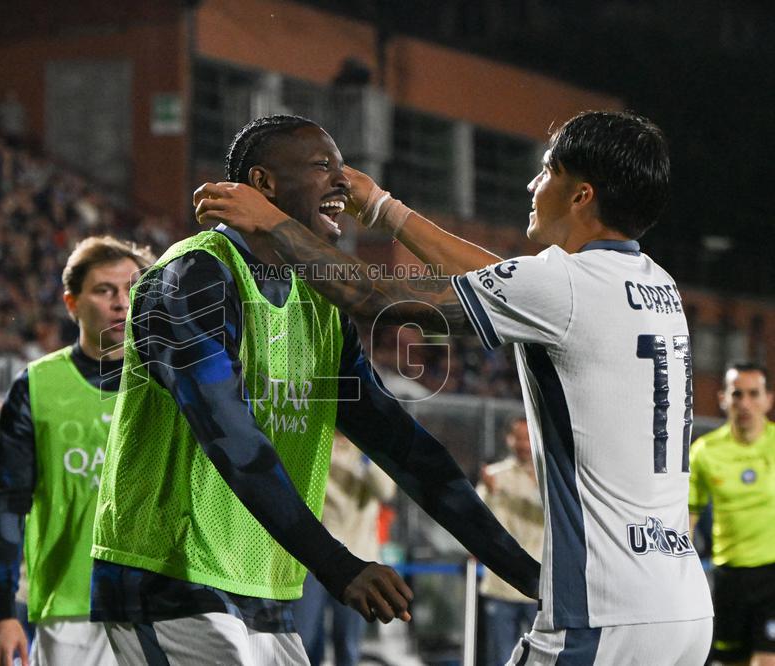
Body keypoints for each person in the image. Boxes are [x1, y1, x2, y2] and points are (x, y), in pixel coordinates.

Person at [197, 110, 714, 665]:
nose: (533, 185)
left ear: (581, 195)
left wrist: (274, 223)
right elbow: (508, 282)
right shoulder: (654, 284)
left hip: (605, 612)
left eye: (546, 172)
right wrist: (383, 209)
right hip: (682, 604)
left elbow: (379, 300)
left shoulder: (561, 287)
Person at [91, 114, 540, 665]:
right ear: (264, 185)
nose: (343, 182)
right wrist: (339, 564)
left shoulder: (318, 301)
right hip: (169, 581)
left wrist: (529, 574)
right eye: (323, 165)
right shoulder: (193, 277)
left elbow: (403, 446)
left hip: (265, 586)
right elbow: (231, 439)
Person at [0, 235, 153, 666]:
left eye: (132, 290)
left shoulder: (170, 384)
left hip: (161, 607)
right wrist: (2, 613)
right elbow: (8, 505)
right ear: (71, 303)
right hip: (70, 606)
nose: (121, 302)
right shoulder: (37, 385)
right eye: (105, 290)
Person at [689, 362, 775, 666]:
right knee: (728, 662)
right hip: (729, 576)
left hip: (772, 574)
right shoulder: (705, 452)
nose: (745, 403)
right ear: (723, 398)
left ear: (768, 399)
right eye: (737, 394)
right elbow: (689, 515)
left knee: (767, 659)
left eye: (754, 394)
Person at [293, 431, 396, 666]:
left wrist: (363, 459)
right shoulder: (317, 441)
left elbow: (386, 490)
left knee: (347, 643)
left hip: (358, 561)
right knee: (304, 641)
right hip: (315, 559)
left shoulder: (369, 448)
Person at [477, 416, 543, 666]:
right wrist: (491, 492)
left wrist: (509, 493)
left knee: (544, 659)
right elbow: (477, 517)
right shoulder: (494, 476)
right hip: (501, 586)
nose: (524, 444)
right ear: (509, 439)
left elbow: (548, 514)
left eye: (528, 437)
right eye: (519, 437)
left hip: (541, 587)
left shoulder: (550, 475)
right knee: (500, 659)